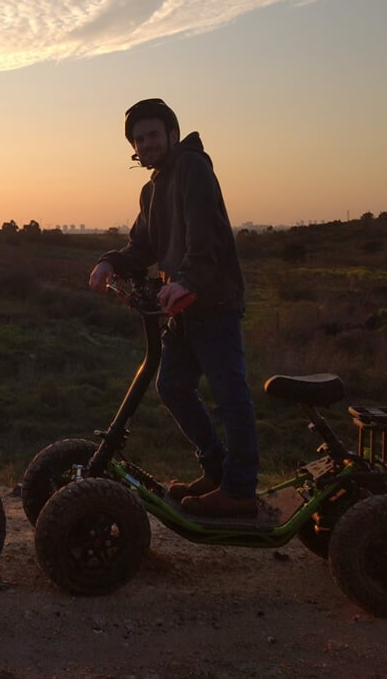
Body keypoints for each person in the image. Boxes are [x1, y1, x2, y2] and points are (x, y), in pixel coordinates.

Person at [88, 98, 259, 519]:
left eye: (152, 135)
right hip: (181, 311)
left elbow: (207, 237)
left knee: (230, 397)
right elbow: (142, 246)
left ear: (171, 134)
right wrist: (110, 261)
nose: (146, 144)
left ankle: (239, 491)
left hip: (213, 304)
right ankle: (216, 469)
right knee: (173, 387)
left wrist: (187, 281)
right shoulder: (152, 189)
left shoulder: (192, 169)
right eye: (138, 139)